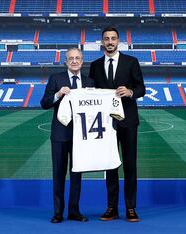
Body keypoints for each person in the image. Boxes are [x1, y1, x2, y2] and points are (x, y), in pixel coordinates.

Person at [89, 27, 145, 222]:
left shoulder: (131, 62)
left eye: (113, 38)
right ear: (102, 42)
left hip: (128, 121)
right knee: (110, 166)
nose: (110, 42)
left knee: (130, 165)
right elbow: (90, 92)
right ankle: (111, 207)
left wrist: (130, 92)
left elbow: (141, 88)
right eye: (106, 39)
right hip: (104, 123)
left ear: (118, 41)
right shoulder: (95, 65)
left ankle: (131, 207)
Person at [41, 48, 94, 223]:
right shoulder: (56, 79)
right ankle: (58, 212)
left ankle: (74, 211)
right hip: (60, 134)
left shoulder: (90, 82)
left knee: (77, 174)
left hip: (81, 136)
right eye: (70, 58)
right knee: (58, 174)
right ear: (65, 61)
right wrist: (58, 94)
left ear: (82, 61)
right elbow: (44, 103)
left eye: (77, 58)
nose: (74, 61)